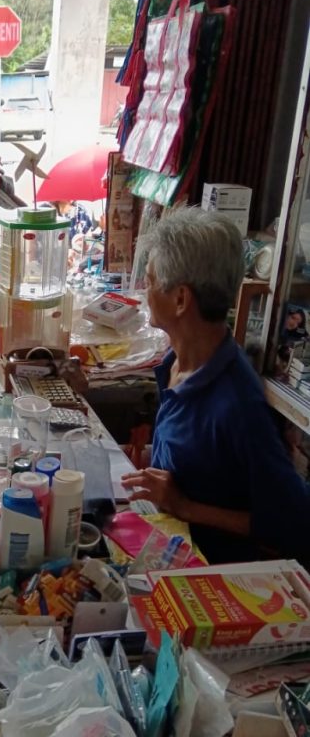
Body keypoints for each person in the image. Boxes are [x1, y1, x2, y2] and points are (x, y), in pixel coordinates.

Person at [122, 209, 310, 564]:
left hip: (210, 573)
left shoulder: (237, 404)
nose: (144, 292)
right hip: (165, 547)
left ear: (180, 300)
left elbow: (296, 521)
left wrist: (185, 507)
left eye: (149, 282)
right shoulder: (176, 362)